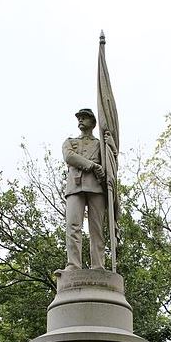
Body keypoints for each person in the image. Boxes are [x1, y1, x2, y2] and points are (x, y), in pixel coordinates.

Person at [62, 108, 106, 270]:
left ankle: (98, 265)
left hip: (96, 187)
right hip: (75, 186)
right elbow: (69, 157)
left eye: (85, 118)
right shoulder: (70, 142)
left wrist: (110, 145)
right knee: (73, 226)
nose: (80, 120)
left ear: (93, 123)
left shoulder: (101, 144)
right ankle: (73, 264)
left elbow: (110, 164)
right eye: (79, 118)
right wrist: (92, 165)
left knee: (97, 229)